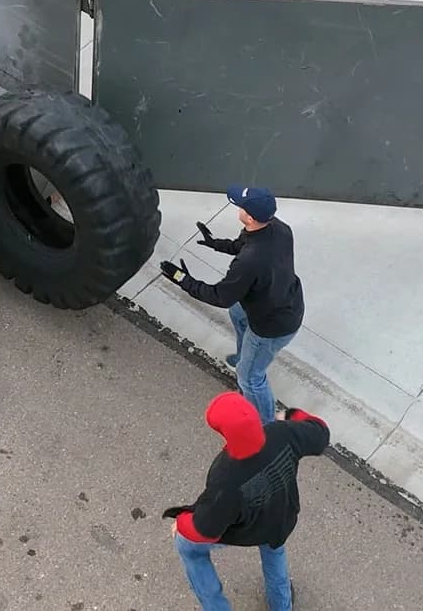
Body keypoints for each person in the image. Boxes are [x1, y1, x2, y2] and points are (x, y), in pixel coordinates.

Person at [163, 391, 330, 611]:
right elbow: (320, 434)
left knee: (187, 546)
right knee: (275, 553)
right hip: (279, 517)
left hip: (247, 527)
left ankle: (217, 606)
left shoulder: (226, 478)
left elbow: (205, 528)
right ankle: (282, 606)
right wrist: (291, 415)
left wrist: (182, 523)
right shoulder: (282, 434)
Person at [159, 184, 303, 424]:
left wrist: (182, 279)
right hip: (281, 298)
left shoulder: (249, 262)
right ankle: (243, 356)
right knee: (237, 312)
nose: (237, 206)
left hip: (272, 325)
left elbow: (219, 295)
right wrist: (216, 243)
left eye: (240, 205)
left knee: (250, 378)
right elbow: (243, 244)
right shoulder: (279, 229)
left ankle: (266, 425)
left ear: (249, 216)